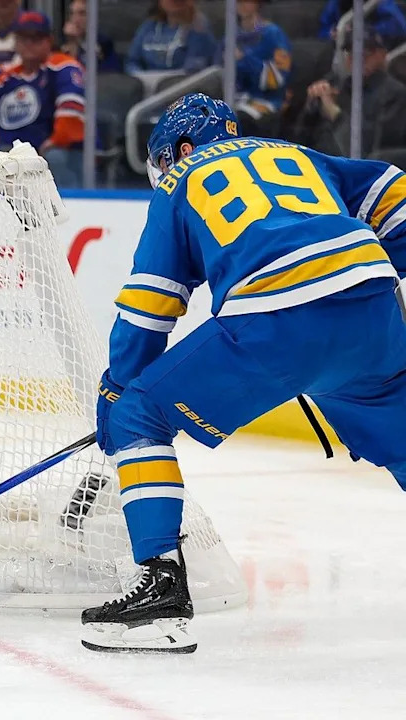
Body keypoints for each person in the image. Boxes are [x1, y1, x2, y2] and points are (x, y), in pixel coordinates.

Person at [81, 93, 406, 654]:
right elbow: (395, 189)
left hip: (275, 318)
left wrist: (118, 390)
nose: (162, 171)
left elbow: (148, 304)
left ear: (182, 147)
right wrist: (381, 265)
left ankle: (160, 593)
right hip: (372, 307)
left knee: (141, 413)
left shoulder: (181, 179)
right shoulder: (298, 153)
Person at [0, 11, 87, 187]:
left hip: (55, 151)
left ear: (49, 41)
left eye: (36, 38)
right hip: (13, 154)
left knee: (55, 158)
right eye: (23, 38)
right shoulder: (6, 78)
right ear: (15, 42)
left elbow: (71, 111)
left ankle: (69, 206)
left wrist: (54, 141)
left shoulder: (64, 66)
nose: (29, 44)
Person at [294, 29, 406, 158]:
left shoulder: (395, 94)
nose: (358, 59)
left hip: (356, 171)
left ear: (382, 55)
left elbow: (367, 152)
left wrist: (336, 115)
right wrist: (311, 107)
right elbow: (299, 137)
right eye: (351, 53)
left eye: (366, 53)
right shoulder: (336, 85)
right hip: (317, 164)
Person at [219, 0, 291, 137]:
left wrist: (244, 59)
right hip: (232, 99)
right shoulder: (230, 35)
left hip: (265, 102)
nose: (240, 3)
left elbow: (278, 78)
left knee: (236, 122)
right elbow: (217, 71)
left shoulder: (273, 33)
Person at [126, 0, 217, 74]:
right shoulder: (148, 27)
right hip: (146, 84)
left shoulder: (199, 27)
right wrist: (138, 75)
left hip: (179, 87)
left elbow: (194, 68)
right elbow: (132, 61)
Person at [61, 0, 123, 73]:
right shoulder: (60, 43)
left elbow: (112, 73)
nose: (75, 19)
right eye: (72, 13)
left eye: (82, 13)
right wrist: (72, 43)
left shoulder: (104, 43)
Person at [319, 0, 406, 43]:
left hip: (377, 50)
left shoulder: (380, 2)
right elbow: (323, 29)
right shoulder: (336, 3)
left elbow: (399, 26)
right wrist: (331, 34)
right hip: (343, 52)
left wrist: (366, 31)